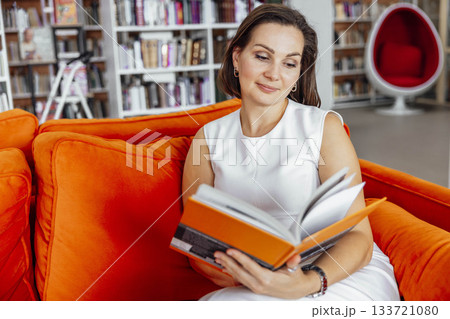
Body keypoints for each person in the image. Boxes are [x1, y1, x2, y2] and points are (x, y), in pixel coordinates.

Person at [182, 4, 400, 301]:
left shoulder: (324, 127)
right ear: (237, 57)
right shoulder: (207, 139)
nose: (274, 74)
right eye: (262, 56)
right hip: (252, 283)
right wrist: (254, 277)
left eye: (289, 63)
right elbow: (197, 245)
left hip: (334, 274)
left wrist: (305, 282)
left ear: (299, 72)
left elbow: (359, 236)